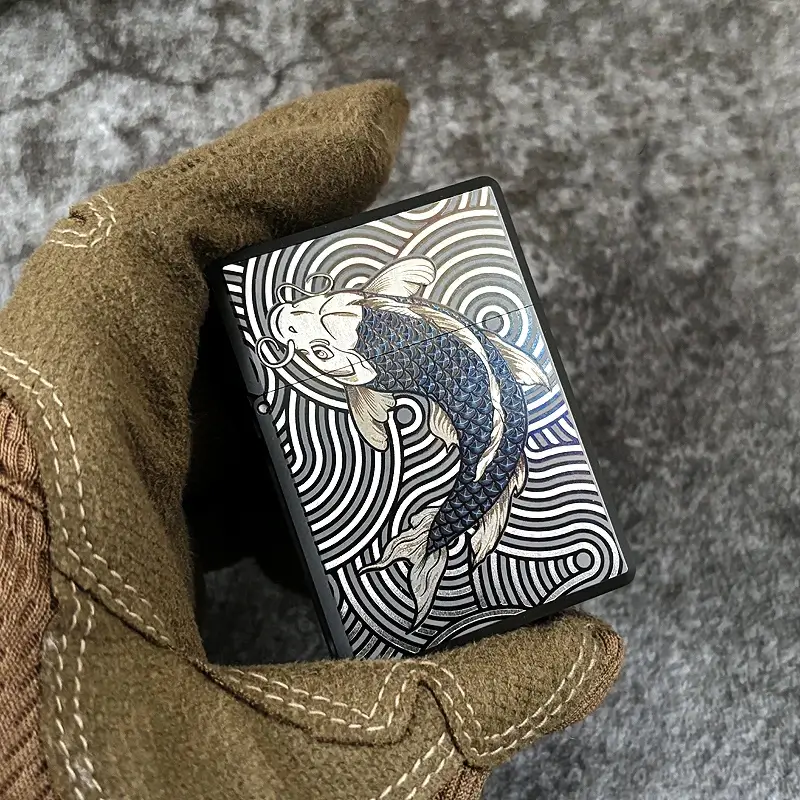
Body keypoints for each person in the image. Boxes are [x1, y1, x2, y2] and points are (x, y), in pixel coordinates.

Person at [0, 80, 624, 800]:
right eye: (310, 337)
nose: (301, 326)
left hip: (492, 421)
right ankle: (425, 548)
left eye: (318, 331)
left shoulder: (378, 357)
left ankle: (427, 548)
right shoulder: (372, 341)